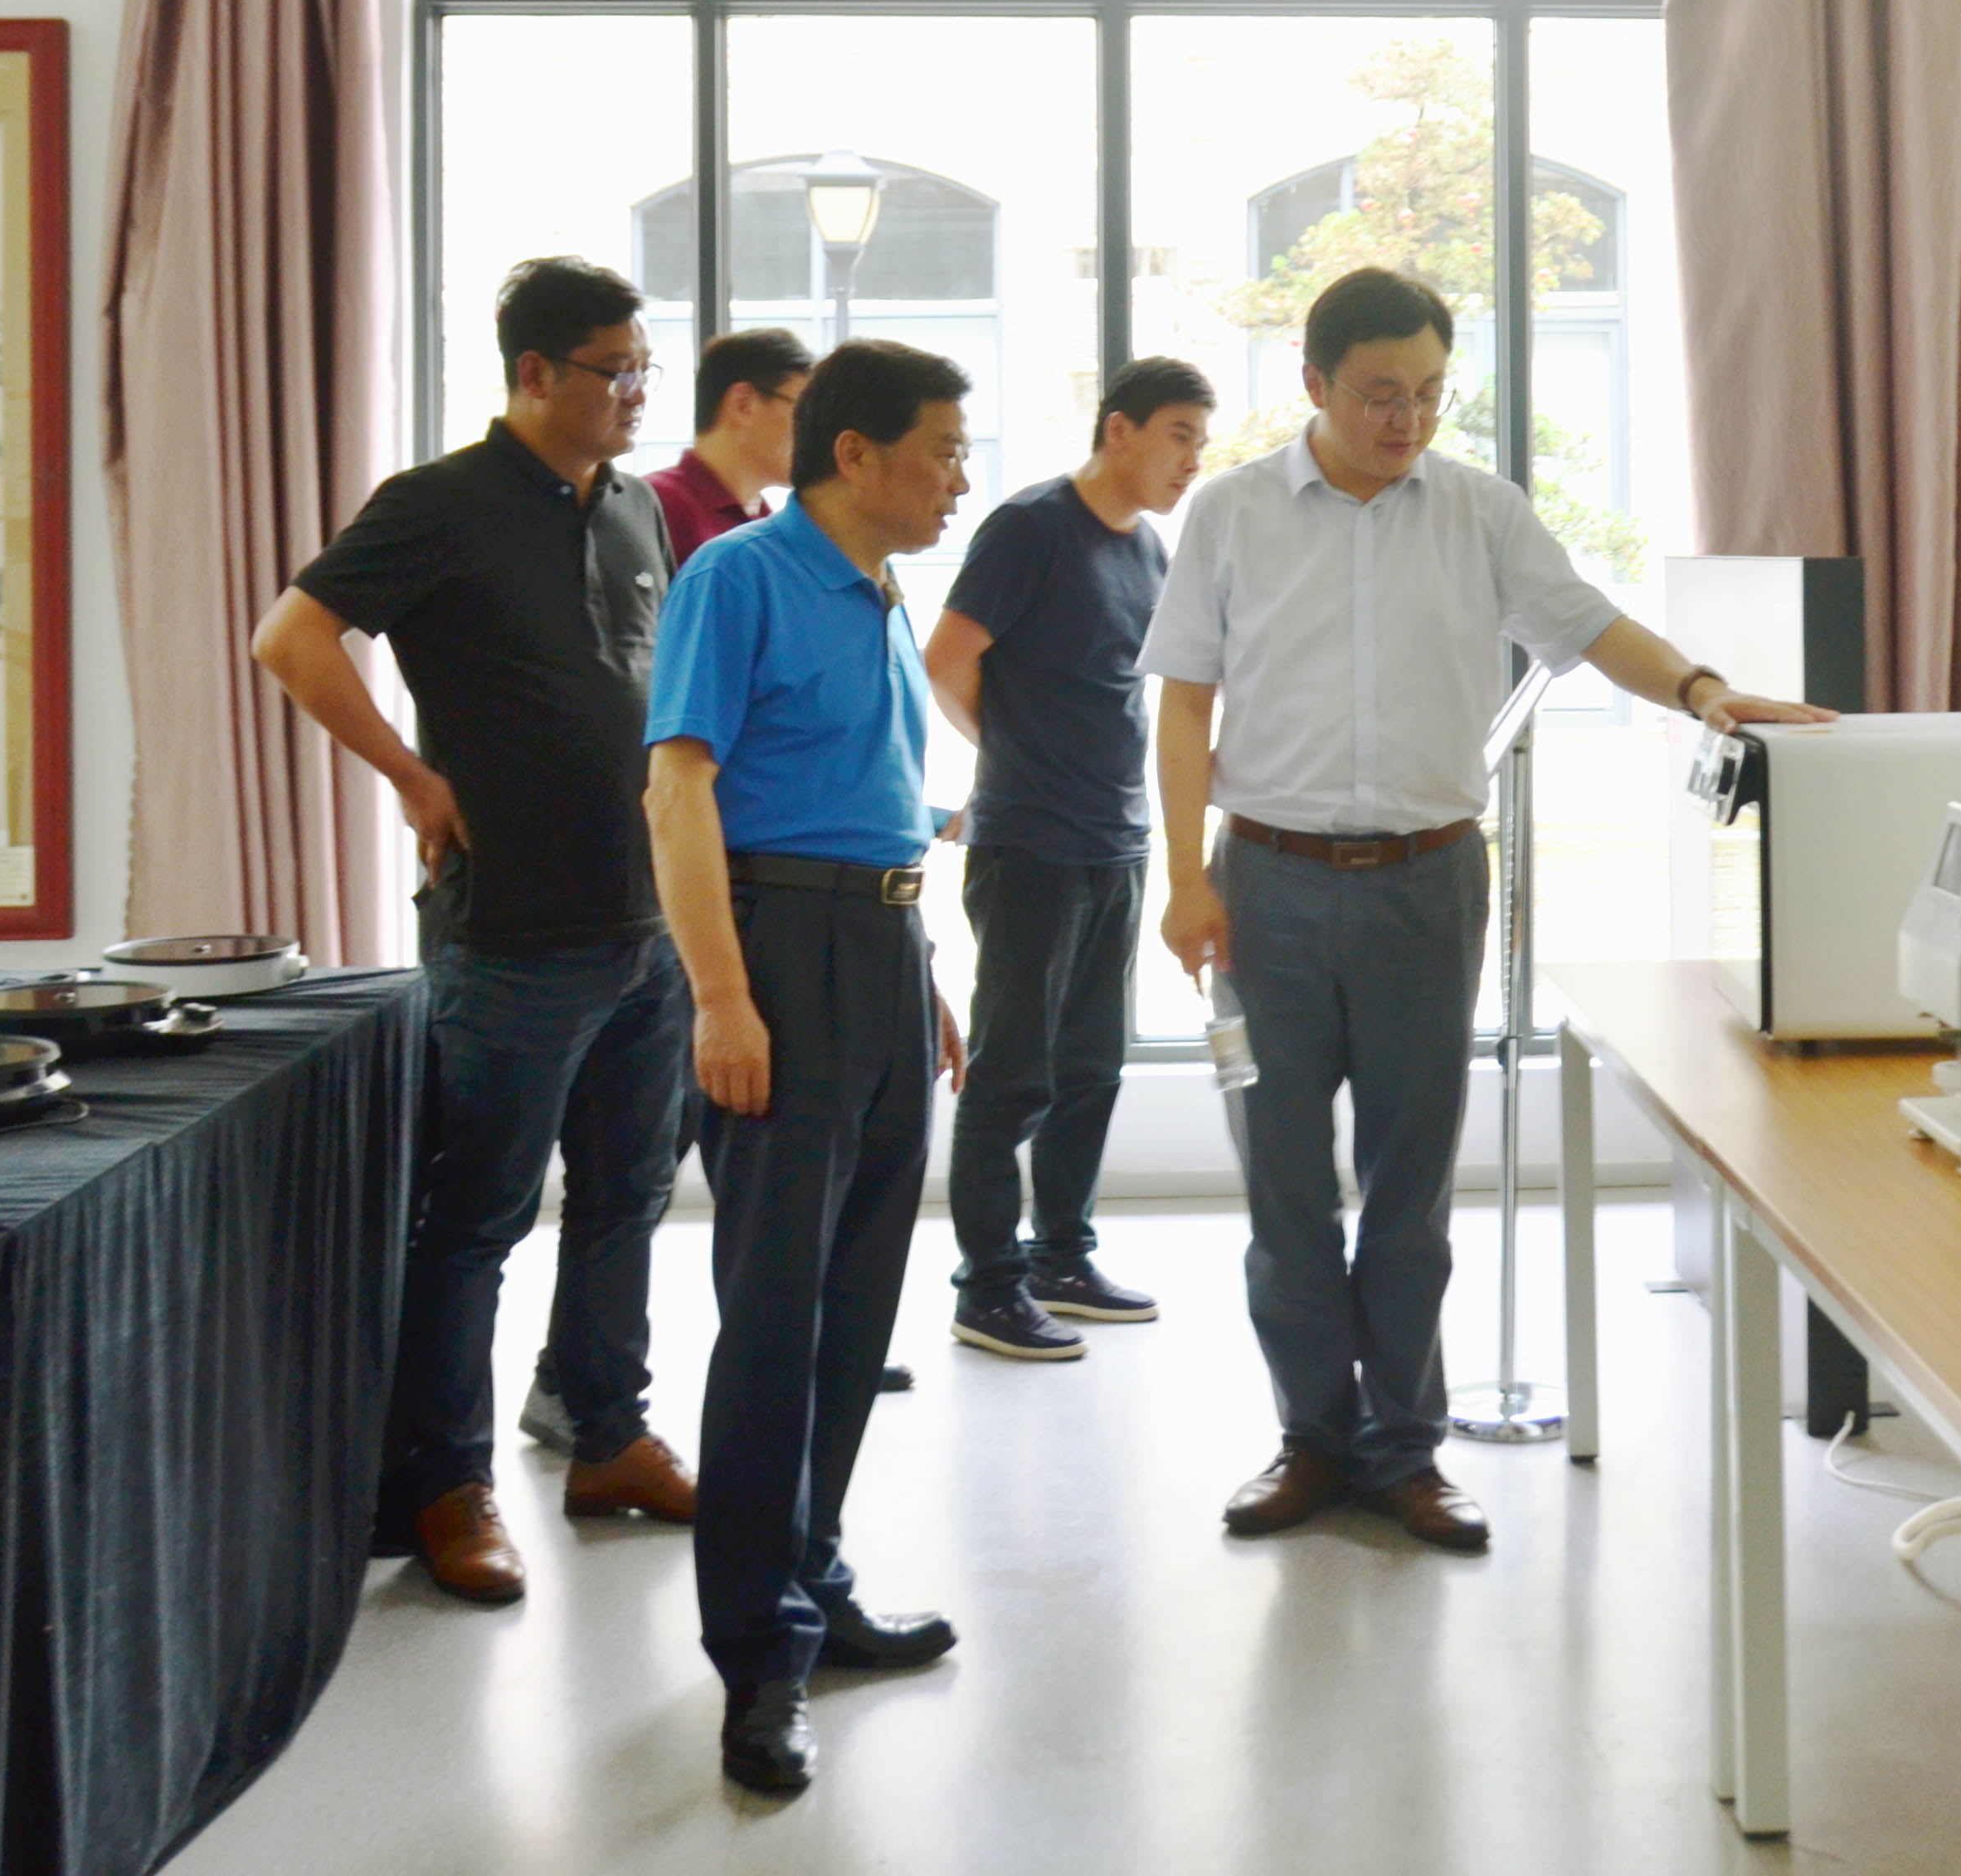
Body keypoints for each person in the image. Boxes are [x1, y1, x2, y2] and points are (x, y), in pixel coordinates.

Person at [1141, 267, 1830, 1553]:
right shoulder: (1232, 513)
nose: (1404, 420)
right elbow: (1183, 701)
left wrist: (1705, 691)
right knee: (1285, 1192)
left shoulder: (1479, 511)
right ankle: (1311, 1440)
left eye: (1427, 394)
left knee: (1409, 1193)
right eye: (1378, 394)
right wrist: (1184, 878)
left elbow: (1589, 625)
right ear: (1313, 384)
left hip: (1428, 885)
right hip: (1266, 888)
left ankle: (1404, 1453)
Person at [251, 257, 698, 1610]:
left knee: (627, 1195)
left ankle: (607, 1434)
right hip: (512, 932)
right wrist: (409, 775)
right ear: (533, 373)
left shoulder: (635, 507)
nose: (635, 391)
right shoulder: (438, 504)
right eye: (613, 369)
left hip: (649, 921)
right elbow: (292, 637)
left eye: (644, 367)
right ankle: (445, 1482)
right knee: (474, 1218)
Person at [645, 339, 976, 1796]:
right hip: (779, 955)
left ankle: (813, 1575)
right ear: (854, 453)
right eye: (941, 450)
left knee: (854, 1311)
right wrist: (721, 997)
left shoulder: (880, 590)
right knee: (775, 1317)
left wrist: (924, 975)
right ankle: (756, 1654)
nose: (958, 478)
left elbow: (871, 801)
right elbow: (676, 790)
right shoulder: (740, 578)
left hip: (881, 954)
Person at [922, 355, 1216, 1361]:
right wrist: (1011, 757)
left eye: (1201, 442)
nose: (1192, 460)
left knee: (1089, 1068)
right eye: (1178, 435)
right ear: (1118, 429)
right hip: (1031, 844)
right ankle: (987, 1287)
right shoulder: (1030, 528)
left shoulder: (1148, 550)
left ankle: (1060, 1258)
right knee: (1011, 1075)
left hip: (1115, 840)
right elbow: (944, 661)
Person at [651, 326, 812, 564]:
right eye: (804, 413)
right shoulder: (657, 506)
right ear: (743, 404)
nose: (814, 433)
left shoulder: (767, 520)